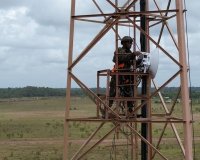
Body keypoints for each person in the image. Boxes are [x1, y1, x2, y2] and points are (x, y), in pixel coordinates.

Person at [109, 36, 140, 114]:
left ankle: (130, 110)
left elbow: (132, 63)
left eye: (131, 43)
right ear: (124, 43)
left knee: (129, 92)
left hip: (127, 76)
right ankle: (108, 107)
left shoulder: (129, 52)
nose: (130, 44)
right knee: (113, 92)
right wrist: (132, 55)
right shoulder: (119, 50)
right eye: (129, 43)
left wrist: (138, 61)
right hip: (117, 75)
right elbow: (120, 58)